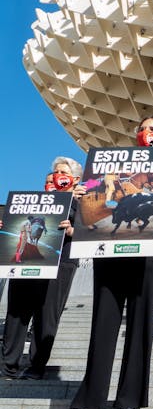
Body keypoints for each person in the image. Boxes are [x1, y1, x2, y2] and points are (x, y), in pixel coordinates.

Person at [60, 115, 153, 409]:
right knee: (102, 327)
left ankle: (128, 405)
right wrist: (82, 198)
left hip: (148, 259)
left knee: (140, 329)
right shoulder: (112, 173)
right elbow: (96, 213)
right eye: (142, 129)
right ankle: (89, 402)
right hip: (111, 254)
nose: (147, 133)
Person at [1, 157, 85, 380]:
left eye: (62, 172)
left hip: (61, 263)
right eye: (54, 173)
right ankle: (8, 365)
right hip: (26, 263)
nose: (57, 176)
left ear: (75, 179)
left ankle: (36, 366)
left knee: (47, 315)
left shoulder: (85, 204)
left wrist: (73, 231)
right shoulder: (32, 203)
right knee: (17, 312)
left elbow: (93, 234)